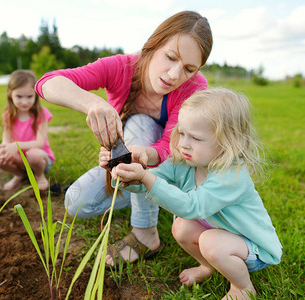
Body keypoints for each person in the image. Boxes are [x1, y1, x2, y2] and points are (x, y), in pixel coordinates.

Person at [35, 11, 213, 265]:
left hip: (174, 169)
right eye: (170, 57)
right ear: (153, 45)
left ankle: (145, 233)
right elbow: (47, 82)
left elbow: (170, 146)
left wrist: (145, 154)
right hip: (130, 163)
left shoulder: (195, 87)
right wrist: (93, 103)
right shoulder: (121, 67)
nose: (174, 75)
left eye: (188, 68)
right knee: (77, 203)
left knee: (140, 122)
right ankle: (149, 194)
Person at [105, 88, 282, 300]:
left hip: (252, 247)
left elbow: (192, 206)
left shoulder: (231, 176)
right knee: (181, 226)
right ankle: (207, 266)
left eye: (195, 138)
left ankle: (242, 287)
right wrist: (123, 174)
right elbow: (150, 182)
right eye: (182, 133)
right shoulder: (187, 162)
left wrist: (146, 177)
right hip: (220, 234)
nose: (183, 144)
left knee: (209, 241)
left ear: (227, 143)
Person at [0, 70, 55, 191]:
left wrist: (16, 146)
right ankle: (19, 175)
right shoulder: (7, 115)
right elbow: (6, 140)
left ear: (36, 95)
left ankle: (39, 175)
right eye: (19, 97)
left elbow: (40, 143)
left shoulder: (41, 114)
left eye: (29, 96)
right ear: (10, 94)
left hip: (40, 160)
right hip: (20, 161)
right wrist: (6, 148)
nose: (25, 102)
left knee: (33, 154)